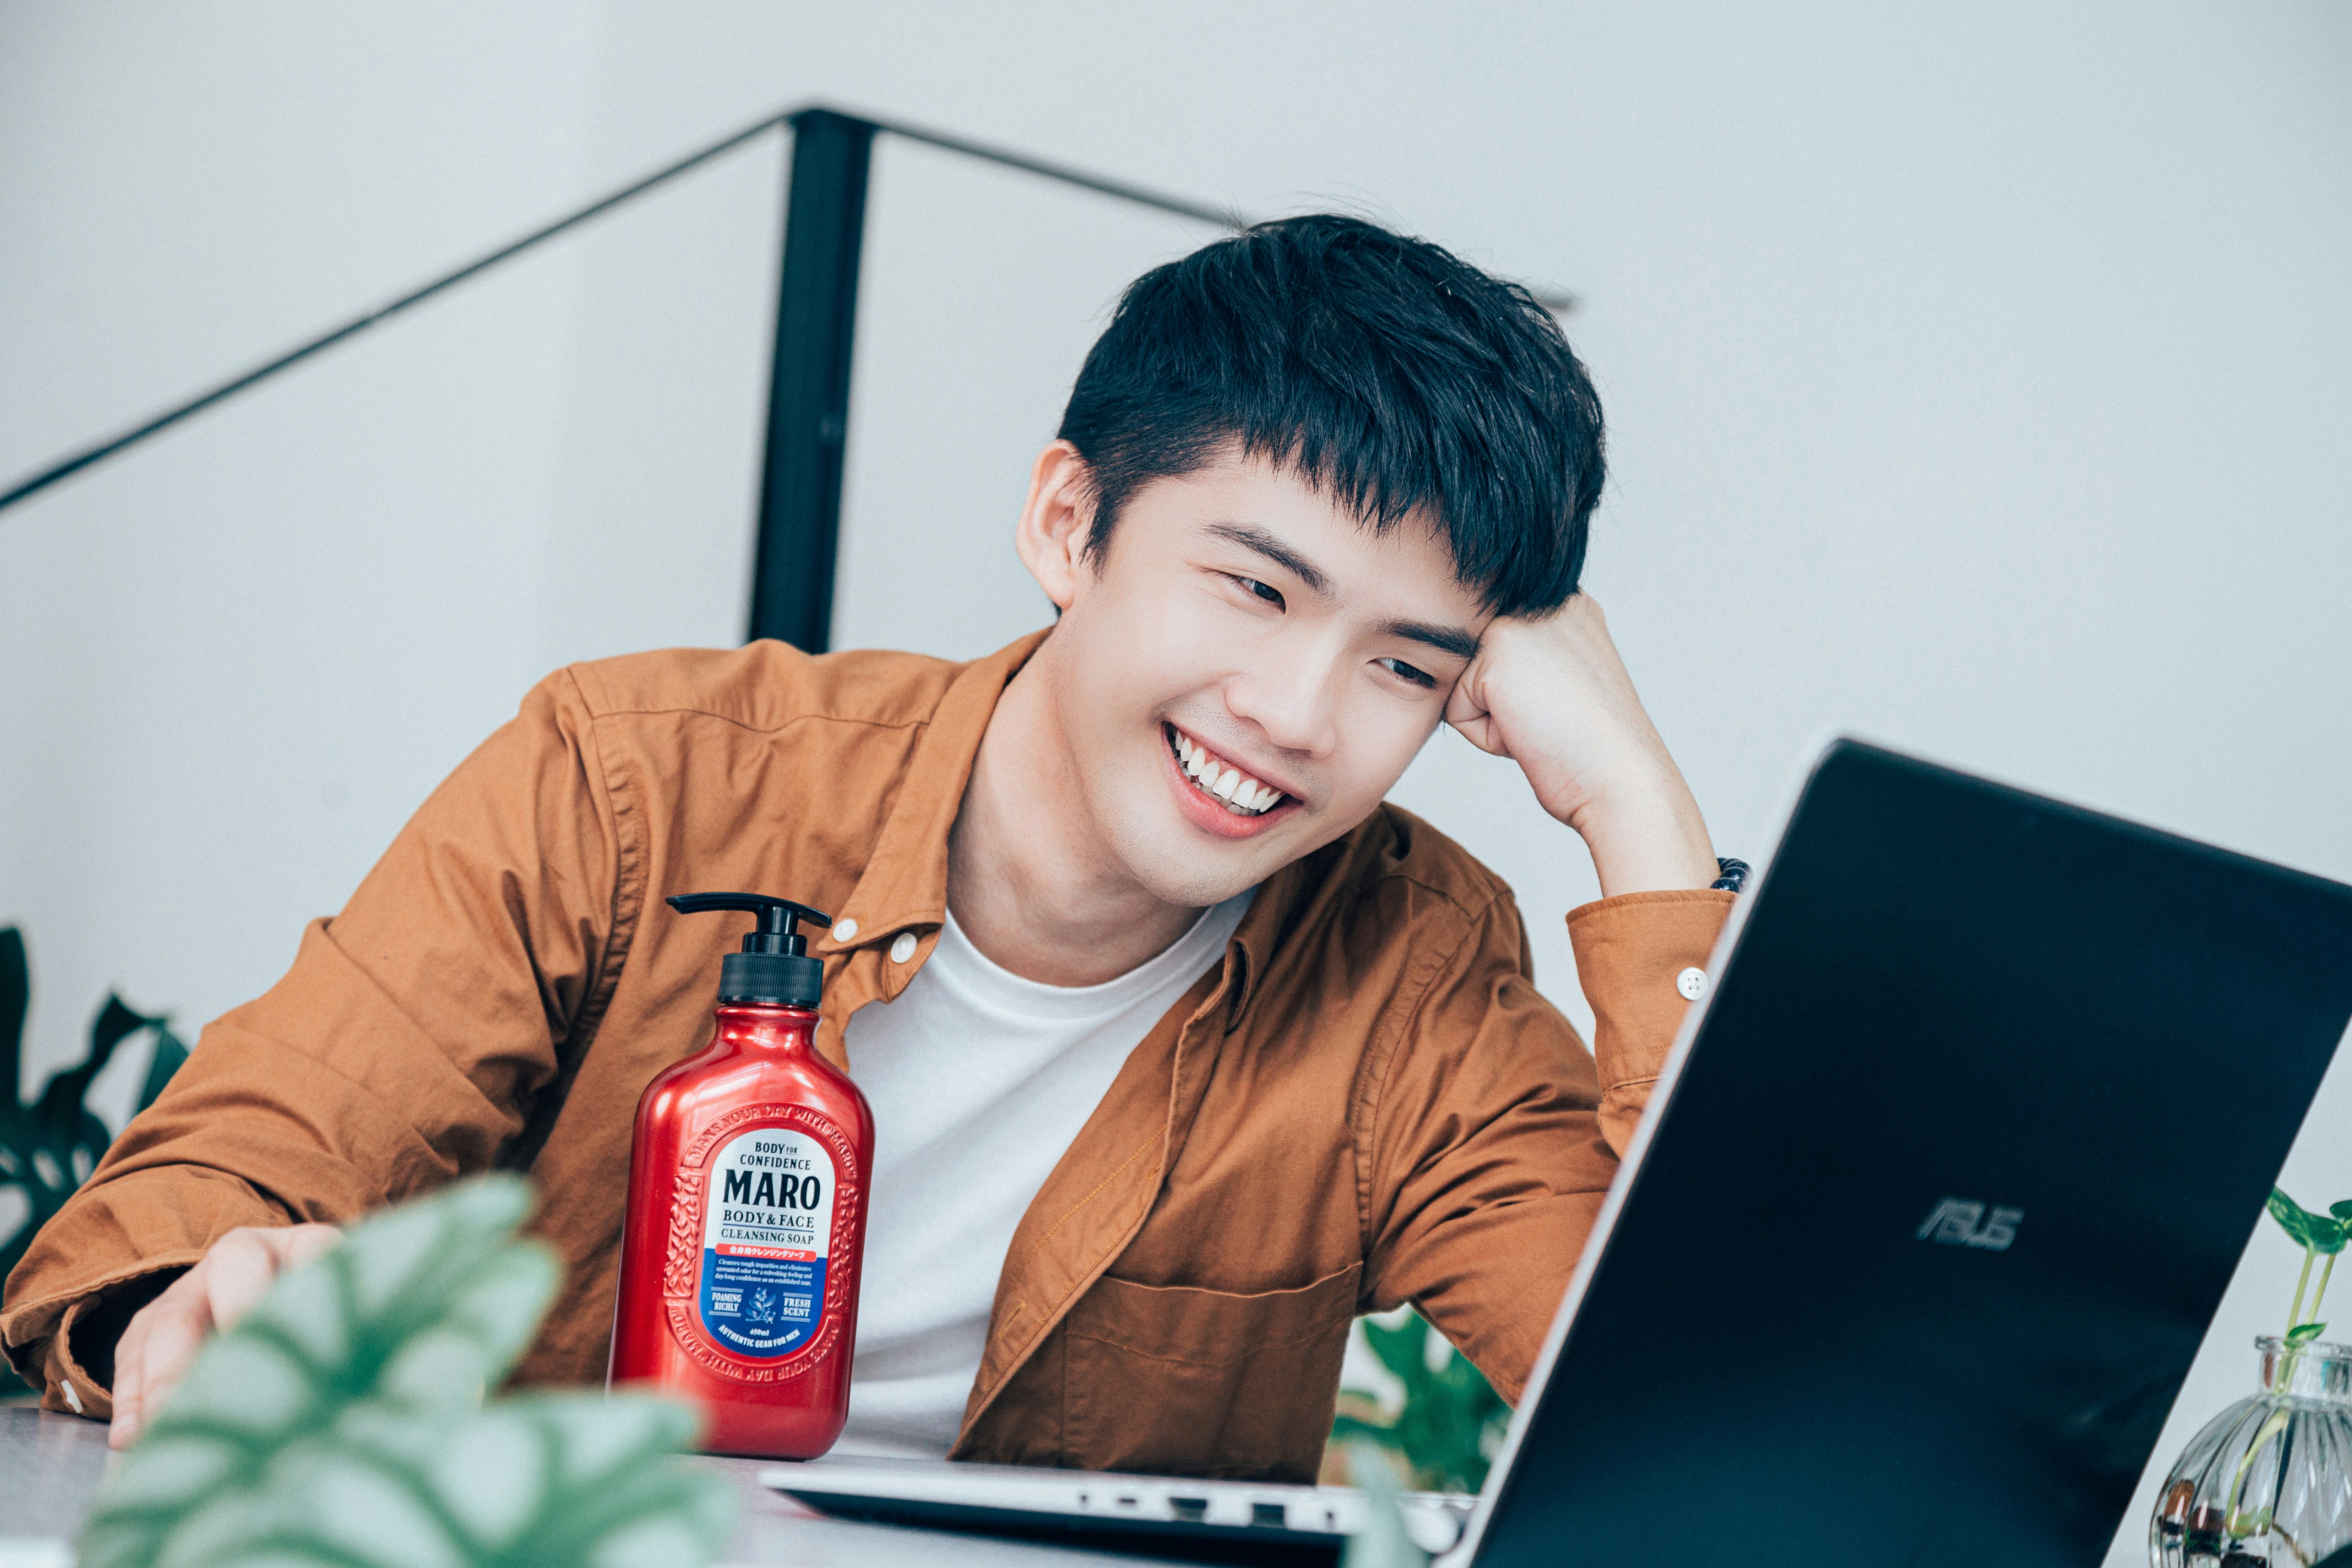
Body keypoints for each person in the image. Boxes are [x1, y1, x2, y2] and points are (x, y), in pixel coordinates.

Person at [1, 214, 1734, 1482]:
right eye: (1255, 588)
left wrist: (1639, 816)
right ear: (1071, 525)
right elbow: (171, 1216)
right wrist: (215, 1301)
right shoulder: (636, 781)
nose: (1295, 712)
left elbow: (1704, 1411)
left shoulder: (1415, 968)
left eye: (1404, 666)